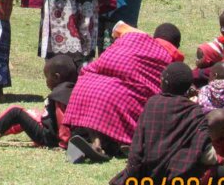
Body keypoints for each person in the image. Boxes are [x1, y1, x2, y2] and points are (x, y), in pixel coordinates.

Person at [63, 23, 185, 159]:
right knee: (133, 100)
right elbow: (159, 91)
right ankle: (118, 144)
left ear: (154, 36)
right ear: (176, 46)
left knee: (103, 95)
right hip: (117, 98)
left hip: (85, 87)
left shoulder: (131, 39)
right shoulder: (167, 59)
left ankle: (94, 140)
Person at [109, 63, 216, 185]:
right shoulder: (194, 110)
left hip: (149, 173)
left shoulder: (153, 103)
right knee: (213, 163)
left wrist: (132, 171)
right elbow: (203, 148)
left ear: (164, 83)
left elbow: (138, 144)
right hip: (180, 176)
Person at [0, 55, 77, 149]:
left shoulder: (59, 94)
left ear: (56, 77)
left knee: (15, 111)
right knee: (31, 114)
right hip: (51, 133)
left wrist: (64, 143)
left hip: (49, 138)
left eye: (47, 77)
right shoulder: (72, 90)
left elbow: (63, 121)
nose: (46, 82)